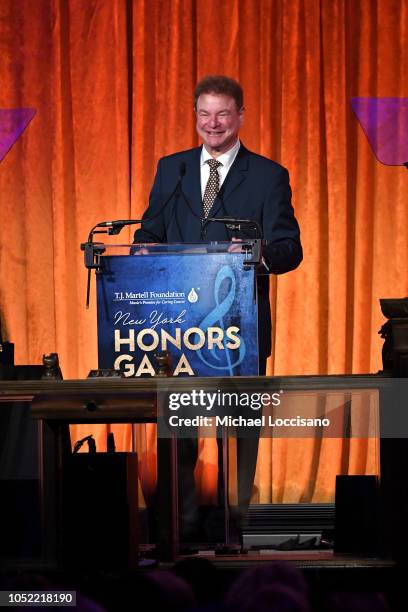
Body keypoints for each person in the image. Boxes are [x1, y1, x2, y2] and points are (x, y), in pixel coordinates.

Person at [134, 75, 302, 542]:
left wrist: (253, 251)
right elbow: (151, 230)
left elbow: (290, 249)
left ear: (240, 116)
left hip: (239, 324)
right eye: (204, 113)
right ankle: (180, 527)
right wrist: (144, 250)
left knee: (239, 428)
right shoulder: (173, 170)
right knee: (181, 430)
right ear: (195, 115)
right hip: (179, 326)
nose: (213, 123)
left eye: (223, 113)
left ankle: (234, 523)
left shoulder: (269, 175)